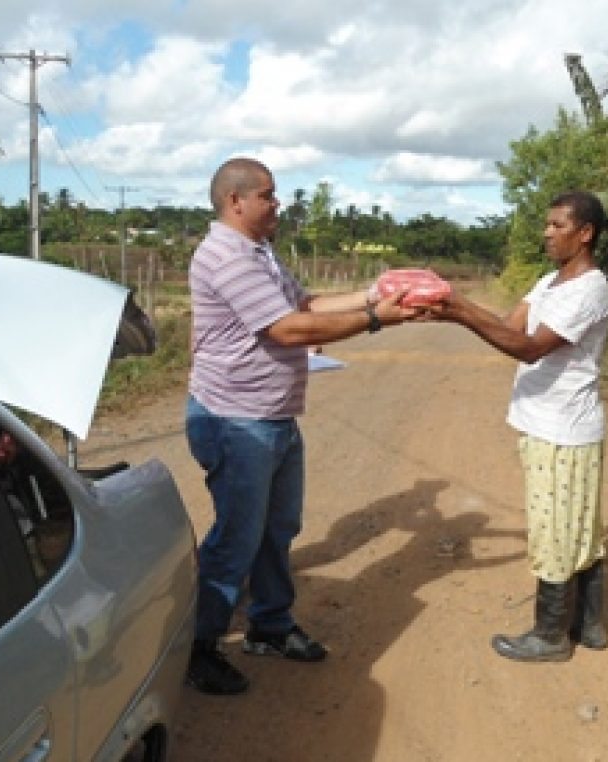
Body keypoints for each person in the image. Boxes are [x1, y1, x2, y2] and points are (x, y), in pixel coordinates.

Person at [185, 157, 417, 695]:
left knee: (277, 529)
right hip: (235, 420)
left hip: (272, 416)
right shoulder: (226, 256)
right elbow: (289, 329)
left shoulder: (258, 252)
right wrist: (378, 319)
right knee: (236, 538)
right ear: (234, 201)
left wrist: (372, 295)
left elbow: (305, 303)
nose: (277, 204)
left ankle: (270, 624)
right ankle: (200, 646)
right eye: (267, 195)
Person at [429, 190, 608, 662]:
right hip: (553, 425)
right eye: (546, 225)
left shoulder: (590, 289)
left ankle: (550, 635)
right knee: (578, 527)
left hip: (562, 429)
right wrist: (455, 313)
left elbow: (529, 348)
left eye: (557, 225)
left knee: (556, 530)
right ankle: (588, 624)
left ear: (585, 232)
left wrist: (460, 307)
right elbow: (510, 328)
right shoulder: (550, 282)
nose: (546, 233)